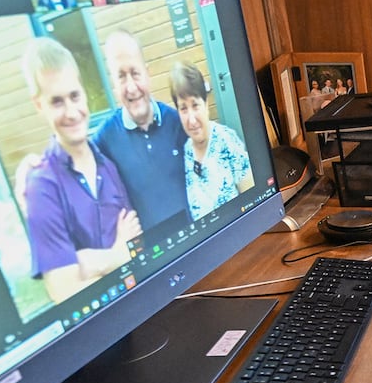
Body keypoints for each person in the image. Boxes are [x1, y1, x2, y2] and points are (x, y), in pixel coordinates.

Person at [19, 37, 142, 305]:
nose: (72, 112)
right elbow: (66, 294)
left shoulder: (108, 166)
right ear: (39, 105)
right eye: (57, 101)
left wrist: (87, 263)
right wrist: (115, 256)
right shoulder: (41, 187)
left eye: (75, 96)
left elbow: (138, 248)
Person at [92, 29, 190, 231]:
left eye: (135, 74)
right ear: (114, 85)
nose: (131, 87)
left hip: (197, 239)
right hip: (153, 254)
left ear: (147, 74)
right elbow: (74, 167)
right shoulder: (104, 139)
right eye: (121, 77)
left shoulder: (177, 121)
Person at [170, 62, 255, 219]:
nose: (191, 119)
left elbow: (253, 202)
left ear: (206, 104)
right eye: (183, 108)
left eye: (195, 105)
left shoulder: (226, 141)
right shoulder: (185, 151)